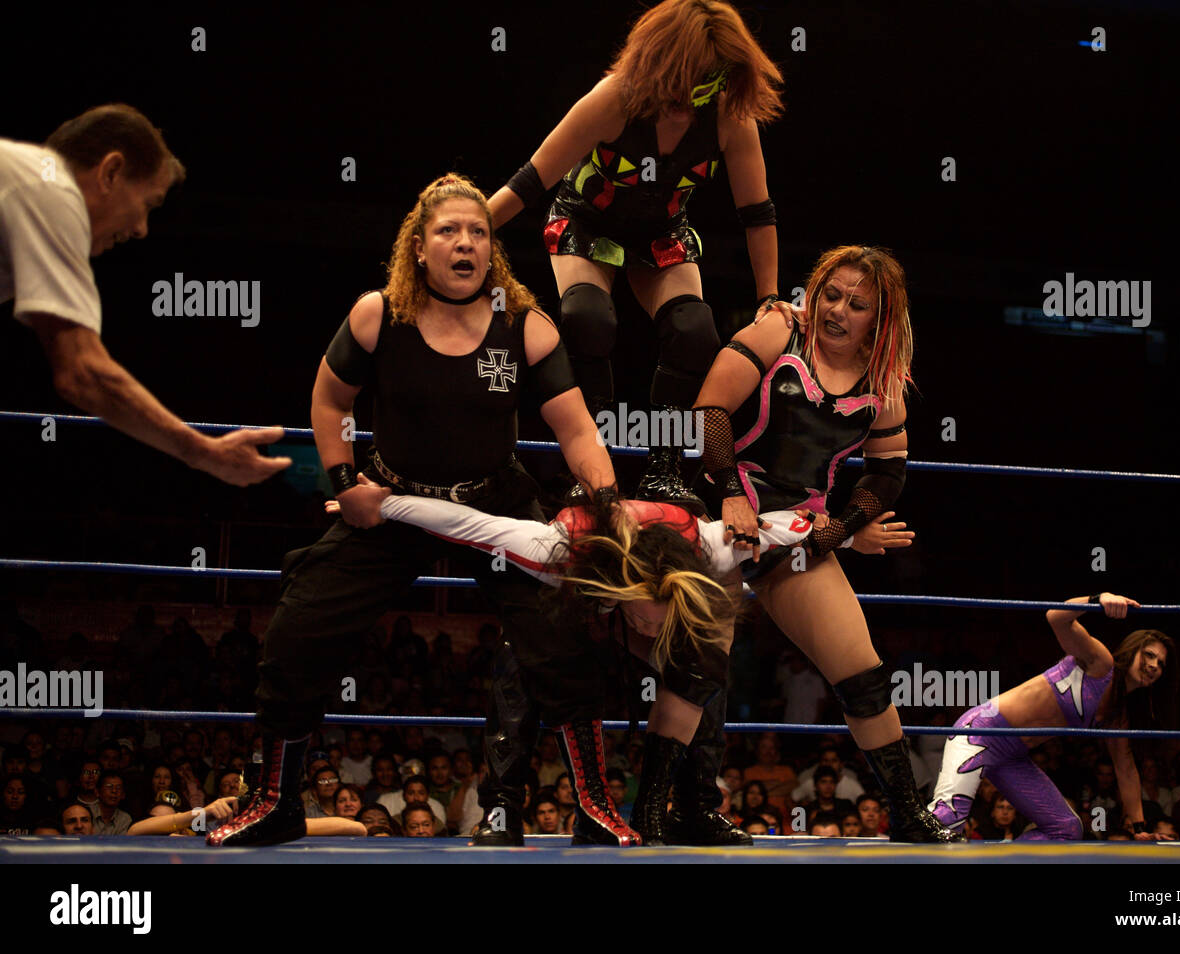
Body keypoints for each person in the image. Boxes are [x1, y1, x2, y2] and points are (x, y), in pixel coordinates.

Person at [206, 174, 618, 848]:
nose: (465, 243)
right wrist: (345, 481)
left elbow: (577, 433)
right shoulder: (379, 315)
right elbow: (329, 402)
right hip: (397, 501)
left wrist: (605, 505)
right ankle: (277, 800)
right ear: (419, 248)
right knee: (298, 628)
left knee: (565, 635)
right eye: (448, 232)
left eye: (478, 231)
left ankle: (595, 806)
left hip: (495, 501)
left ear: (493, 248)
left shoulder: (524, 324)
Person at [367, 481, 827, 843]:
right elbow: (469, 525)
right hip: (577, 589)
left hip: (650, 546)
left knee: (703, 659)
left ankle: (673, 807)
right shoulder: (555, 549)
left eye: (659, 621)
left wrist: (850, 529)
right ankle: (511, 807)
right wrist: (385, 504)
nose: (651, 631)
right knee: (533, 649)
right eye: (649, 619)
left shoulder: (709, 546)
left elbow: (793, 523)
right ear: (627, 596)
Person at [691, 245, 952, 842]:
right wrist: (732, 494)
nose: (836, 310)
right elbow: (710, 411)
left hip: (801, 528)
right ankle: (686, 805)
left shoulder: (884, 381)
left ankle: (908, 813)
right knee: (701, 661)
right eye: (830, 294)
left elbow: (887, 472)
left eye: (856, 304)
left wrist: (840, 529)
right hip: (722, 504)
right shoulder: (780, 329)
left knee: (861, 672)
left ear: (879, 317)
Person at [488, 0, 789, 508]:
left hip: (660, 231)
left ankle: (664, 469)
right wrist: (466, 229)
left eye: (714, 78)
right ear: (667, 63)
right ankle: (582, 469)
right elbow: (531, 180)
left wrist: (770, 297)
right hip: (587, 221)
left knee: (696, 331)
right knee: (588, 319)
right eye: (697, 76)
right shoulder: (614, 99)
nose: (702, 91)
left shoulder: (729, 118)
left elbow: (757, 212)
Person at [1, 104, 289, 485]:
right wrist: (204, 452)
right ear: (111, 172)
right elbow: (83, 372)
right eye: (148, 204)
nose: (141, 230)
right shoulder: (51, 189)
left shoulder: (22, 185)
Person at [929, 592, 1177, 841]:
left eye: (1162, 663)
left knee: (1067, 828)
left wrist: (1139, 829)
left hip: (1012, 756)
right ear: (1133, 649)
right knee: (946, 824)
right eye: (1149, 655)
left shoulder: (1116, 716)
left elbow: (1126, 770)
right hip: (979, 733)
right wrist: (1098, 599)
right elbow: (1057, 617)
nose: (1154, 665)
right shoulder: (1100, 663)